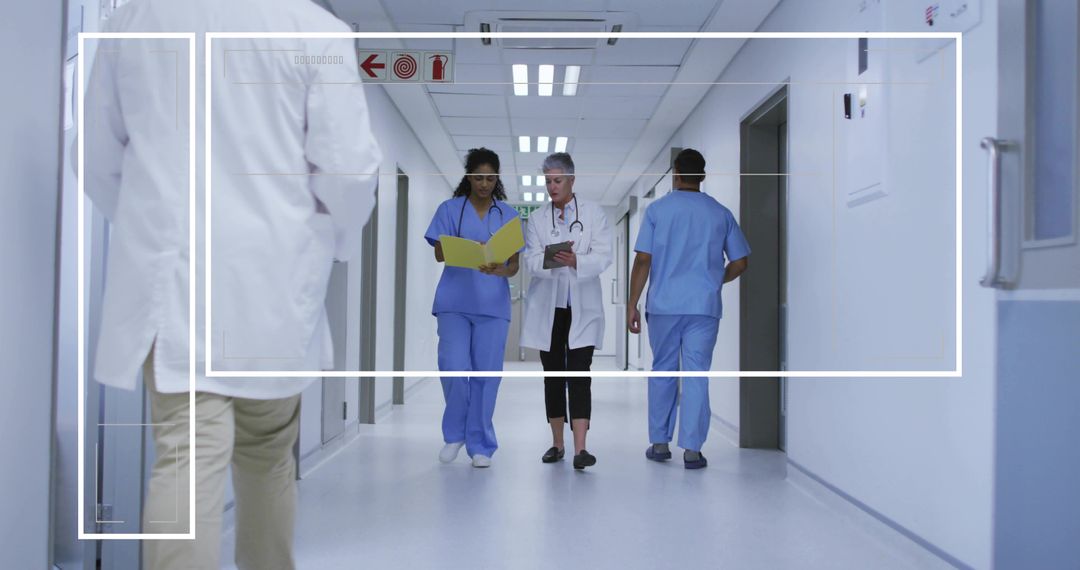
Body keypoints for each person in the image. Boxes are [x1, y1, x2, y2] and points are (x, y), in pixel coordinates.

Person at [81, 1, 381, 567]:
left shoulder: (139, 19)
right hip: (274, 284)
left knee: (185, 455)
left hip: (174, 286)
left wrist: (153, 228)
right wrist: (331, 243)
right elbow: (348, 174)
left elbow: (96, 155)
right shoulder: (316, 31)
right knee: (268, 457)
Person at [626, 148, 749, 470]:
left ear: (676, 174)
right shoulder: (720, 213)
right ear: (702, 177)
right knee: (696, 375)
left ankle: (659, 443)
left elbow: (643, 259)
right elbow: (740, 261)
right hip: (703, 307)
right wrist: (714, 281)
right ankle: (692, 450)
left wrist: (631, 304)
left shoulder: (657, 211)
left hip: (664, 305)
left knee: (664, 370)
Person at [425, 148, 523, 468]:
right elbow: (440, 253)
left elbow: (514, 266)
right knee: (453, 367)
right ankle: (455, 434)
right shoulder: (451, 209)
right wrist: (466, 249)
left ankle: (480, 443)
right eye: (478, 177)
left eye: (490, 178)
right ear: (469, 177)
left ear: (497, 179)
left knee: (486, 376)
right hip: (454, 302)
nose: (484, 184)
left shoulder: (507, 215)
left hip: (492, 305)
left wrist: (500, 269)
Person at [521, 153, 612, 469]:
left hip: (582, 306)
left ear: (572, 180)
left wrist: (578, 261)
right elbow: (530, 260)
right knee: (553, 376)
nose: (551, 186)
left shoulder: (594, 214)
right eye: (547, 181)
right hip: (550, 307)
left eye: (557, 180)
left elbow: (603, 256)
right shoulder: (536, 219)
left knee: (580, 374)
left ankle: (581, 449)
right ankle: (557, 444)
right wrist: (554, 258)